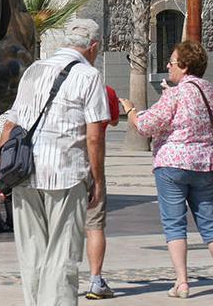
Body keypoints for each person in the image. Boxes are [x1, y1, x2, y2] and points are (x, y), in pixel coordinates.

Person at [0, 18, 110, 306]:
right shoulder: (89, 76)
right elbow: (94, 136)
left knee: (32, 253)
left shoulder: (35, 69)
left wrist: (2, 171)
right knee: (62, 255)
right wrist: (97, 180)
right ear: (93, 47)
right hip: (66, 172)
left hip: (24, 172)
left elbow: (11, 124)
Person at [120, 41, 213, 298]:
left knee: (174, 224)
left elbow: (147, 126)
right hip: (204, 163)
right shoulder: (209, 90)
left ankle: (182, 282)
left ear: (183, 66)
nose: (168, 65)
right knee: (210, 220)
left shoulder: (176, 92)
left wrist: (131, 111)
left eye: (171, 61)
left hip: (172, 163)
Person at [85, 85, 120, 300]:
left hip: (62, 164)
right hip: (92, 162)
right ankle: (96, 280)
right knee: (94, 224)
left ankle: (60, 278)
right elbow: (113, 121)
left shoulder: (55, 84)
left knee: (63, 224)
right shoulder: (105, 90)